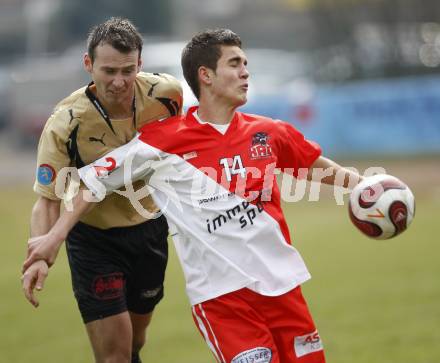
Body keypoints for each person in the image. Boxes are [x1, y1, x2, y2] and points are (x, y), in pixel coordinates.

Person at [23, 29, 363, 362]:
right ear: (206, 75)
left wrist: (366, 186)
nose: (245, 72)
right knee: (117, 350)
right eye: (234, 63)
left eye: (245, 63)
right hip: (222, 300)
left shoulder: (268, 132)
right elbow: (91, 183)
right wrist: (53, 238)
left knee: (136, 340)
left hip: (284, 286)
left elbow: (313, 164)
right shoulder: (159, 141)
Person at [21, 17, 182, 363]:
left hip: (150, 230)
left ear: (140, 63)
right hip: (93, 239)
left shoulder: (167, 95)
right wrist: (39, 257)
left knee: (135, 341)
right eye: (108, 71)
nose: (119, 81)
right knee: (115, 355)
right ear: (88, 64)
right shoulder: (65, 122)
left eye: (128, 70)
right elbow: (47, 201)